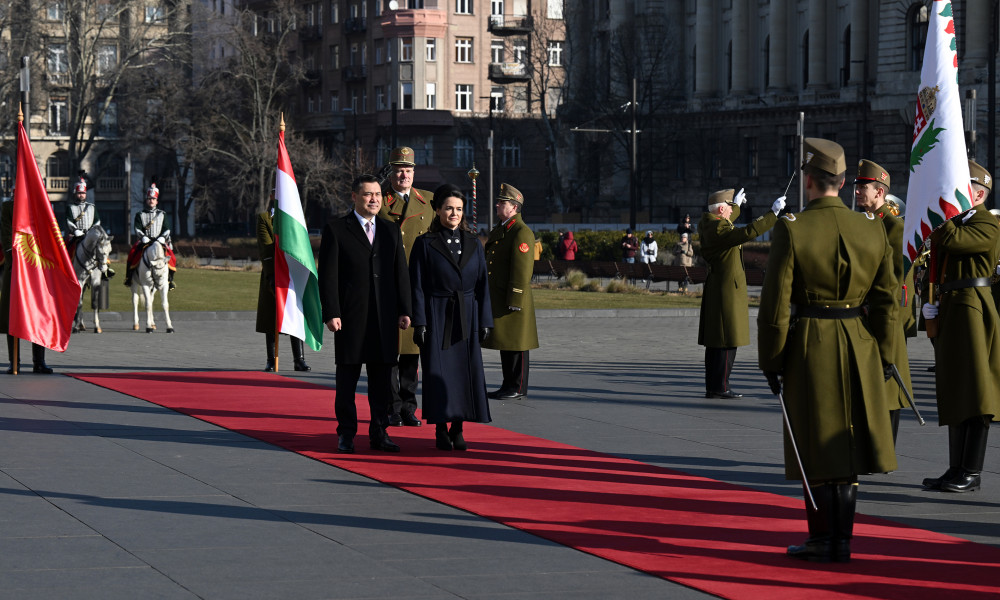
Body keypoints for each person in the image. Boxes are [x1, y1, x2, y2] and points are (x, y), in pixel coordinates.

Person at [758, 137, 898, 564]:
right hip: (859, 341)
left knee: (816, 443)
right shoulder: (872, 228)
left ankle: (823, 539)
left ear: (810, 181)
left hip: (810, 343)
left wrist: (772, 360)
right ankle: (842, 539)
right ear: (840, 181)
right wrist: (885, 355)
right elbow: (888, 300)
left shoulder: (793, 228)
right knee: (848, 444)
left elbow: (775, 306)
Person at [920, 159, 1000, 493]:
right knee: (956, 388)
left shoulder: (987, 223)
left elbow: (956, 242)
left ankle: (972, 471)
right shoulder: (960, 221)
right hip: (954, 305)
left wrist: (941, 215)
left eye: (960, 191)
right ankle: (956, 468)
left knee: (977, 392)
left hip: (973, 309)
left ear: (978, 195)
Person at [319, 174, 412, 454]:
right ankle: (346, 433)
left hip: (384, 320)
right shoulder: (336, 229)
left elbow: (400, 274)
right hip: (350, 318)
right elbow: (328, 276)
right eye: (368, 194)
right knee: (346, 382)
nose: (374, 199)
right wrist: (332, 312)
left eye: (377, 195)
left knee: (382, 382)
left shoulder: (390, 230)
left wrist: (405, 309)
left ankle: (379, 432)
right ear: (354, 197)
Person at [409, 184, 494, 451]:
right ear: (437, 210)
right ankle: (440, 428)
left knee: (465, 373)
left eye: (458, 209)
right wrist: (420, 321)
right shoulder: (425, 244)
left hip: (467, 314)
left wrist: (485, 321)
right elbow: (417, 286)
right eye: (449, 208)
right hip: (437, 314)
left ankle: (458, 427)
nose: (454, 213)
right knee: (439, 374)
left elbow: (483, 286)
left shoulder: (474, 243)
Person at [698, 187, 784, 398]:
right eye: (728, 208)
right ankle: (721, 387)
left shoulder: (711, 224)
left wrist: (735, 205)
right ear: (720, 210)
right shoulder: (719, 229)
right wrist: (772, 214)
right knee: (728, 340)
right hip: (727, 289)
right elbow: (746, 232)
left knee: (717, 340)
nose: (731, 212)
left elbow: (727, 220)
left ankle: (714, 385)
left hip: (720, 287)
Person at [853, 159, 913, 444]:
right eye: (856, 186)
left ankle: (885, 446)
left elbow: (895, 278)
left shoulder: (894, 227)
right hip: (861, 312)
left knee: (889, 384)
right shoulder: (864, 224)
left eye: (863, 187)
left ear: (880, 192)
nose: (857, 191)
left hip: (884, 312)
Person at [378, 146, 433, 428]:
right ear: (391, 173)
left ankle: (409, 406)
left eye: (408, 170)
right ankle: (391, 406)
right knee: (390, 351)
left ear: (414, 172)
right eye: (399, 170)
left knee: (412, 351)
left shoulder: (429, 202)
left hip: (416, 287)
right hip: (387, 286)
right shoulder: (378, 200)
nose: (404, 175)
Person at [483, 183, 539, 400]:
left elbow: (522, 269)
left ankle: (517, 386)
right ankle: (508, 384)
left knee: (517, 343)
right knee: (507, 342)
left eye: (502, 202)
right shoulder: (504, 228)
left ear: (514, 207)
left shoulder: (521, 232)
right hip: (499, 295)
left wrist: (515, 296)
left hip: (514, 297)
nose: (497, 205)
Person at [255, 197, 310, 373]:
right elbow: (266, 248)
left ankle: (299, 359)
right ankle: (271, 359)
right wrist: (272, 275)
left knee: (295, 314)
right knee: (271, 316)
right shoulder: (264, 218)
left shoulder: (294, 218)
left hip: (293, 273)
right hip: (273, 272)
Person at [1, 196, 52, 374]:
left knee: (39, 314)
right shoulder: (8, 207)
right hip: (15, 266)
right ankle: (14, 361)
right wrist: (14, 257)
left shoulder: (40, 205)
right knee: (12, 314)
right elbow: (6, 235)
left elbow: (48, 232)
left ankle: (39, 361)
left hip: (36, 266)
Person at [124, 182, 177, 290]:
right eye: (149, 198)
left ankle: (170, 280)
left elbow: (166, 228)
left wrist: (162, 238)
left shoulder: (162, 214)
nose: (151, 200)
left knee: (172, 257)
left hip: (159, 241)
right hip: (145, 241)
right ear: (146, 200)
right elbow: (137, 228)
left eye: (153, 199)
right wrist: (143, 237)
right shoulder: (140, 214)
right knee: (132, 254)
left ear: (156, 201)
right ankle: (129, 277)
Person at [64, 175, 114, 279]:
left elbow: (97, 221)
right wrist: (76, 231)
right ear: (75, 193)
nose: (81, 195)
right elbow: (69, 221)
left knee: (102, 248)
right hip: (76, 236)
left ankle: (106, 269)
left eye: (83, 193)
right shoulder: (70, 207)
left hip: (90, 235)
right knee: (66, 250)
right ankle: (65, 269)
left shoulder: (92, 207)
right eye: (79, 193)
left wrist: (91, 232)